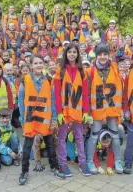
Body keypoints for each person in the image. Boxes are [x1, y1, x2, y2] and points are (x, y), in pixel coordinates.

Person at [18, 54, 65, 185]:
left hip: (45, 120)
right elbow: (21, 103)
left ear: (43, 65)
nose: (38, 65)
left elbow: (53, 101)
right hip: (30, 120)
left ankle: (54, 168)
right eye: (36, 63)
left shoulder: (49, 80)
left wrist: (54, 119)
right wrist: (22, 121)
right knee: (27, 147)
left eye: (40, 63)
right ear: (31, 66)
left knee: (50, 145)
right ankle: (24, 171)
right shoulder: (24, 80)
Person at [53, 43, 91, 177]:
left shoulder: (83, 71)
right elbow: (57, 94)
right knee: (62, 137)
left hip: (78, 110)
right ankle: (62, 163)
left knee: (79, 137)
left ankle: (82, 162)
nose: (72, 54)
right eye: (70, 52)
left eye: (74, 52)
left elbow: (86, 93)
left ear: (78, 54)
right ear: (66, 54)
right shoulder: (60, 71)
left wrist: (86, 111)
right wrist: (58, 113)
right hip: (64, 111)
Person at [86, 44, 124, 175]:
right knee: (94, 135)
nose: (103, 57)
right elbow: (87, 91)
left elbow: (120, 88)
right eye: (100, 54)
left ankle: (118, 160)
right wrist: (88, 111)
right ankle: (90, 160)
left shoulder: (115, 68)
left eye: (105, 54)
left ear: (109, 55)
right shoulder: (90, 71)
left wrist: (121, 108)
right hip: (97, 108)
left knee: (115, 134)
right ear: (96, 56)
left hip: (112, 107)